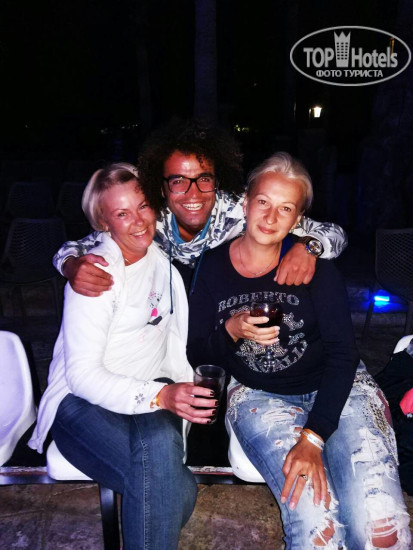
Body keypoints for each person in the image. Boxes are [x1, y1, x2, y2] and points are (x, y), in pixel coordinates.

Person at [187, 152, 411, 549]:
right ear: (245, 203)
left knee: (380, 527)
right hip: (258, 395)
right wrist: (230, 330)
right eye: (263, 202)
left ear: (297, 219)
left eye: (285, 208)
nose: (271, 217)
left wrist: (314, 437)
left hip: (341, 388)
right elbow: (197, 353)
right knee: (317, 524)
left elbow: (343, 355)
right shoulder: (212, 267)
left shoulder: (315, 267)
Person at [28, 163, 217, 550]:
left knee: (165, 483)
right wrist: (163, 395)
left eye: (143, 206)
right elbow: (82, 377)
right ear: (104, 222)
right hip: (80, 405)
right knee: (174, 490)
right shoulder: (95, 275)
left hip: (146, 393)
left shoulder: (163, 260)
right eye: (122, 213)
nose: (138, 221)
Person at [52, 119, 348, 297]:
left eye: (203, 179)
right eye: (178, 180)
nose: (192, 193)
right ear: (161, 186)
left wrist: (309, 247)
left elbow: (334, 233)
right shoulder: (149, 218)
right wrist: (71, 266)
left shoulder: (241, 209)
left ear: (218, 181)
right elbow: (74, 247)